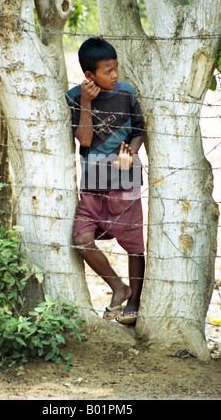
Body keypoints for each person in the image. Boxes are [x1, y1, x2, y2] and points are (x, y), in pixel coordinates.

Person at [66, 37, 145, 325]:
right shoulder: (76, 97)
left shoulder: (126, 93)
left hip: (125, 182)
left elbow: (139, 129)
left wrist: (131, 155)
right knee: (82, 239)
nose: (115, 76)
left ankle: (134, 302)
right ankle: (119, 288)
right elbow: (84, 139)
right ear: (89, 75)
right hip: (93, 184)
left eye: (116, 69)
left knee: (134, 244)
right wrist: (87, 101)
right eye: (107, 71)